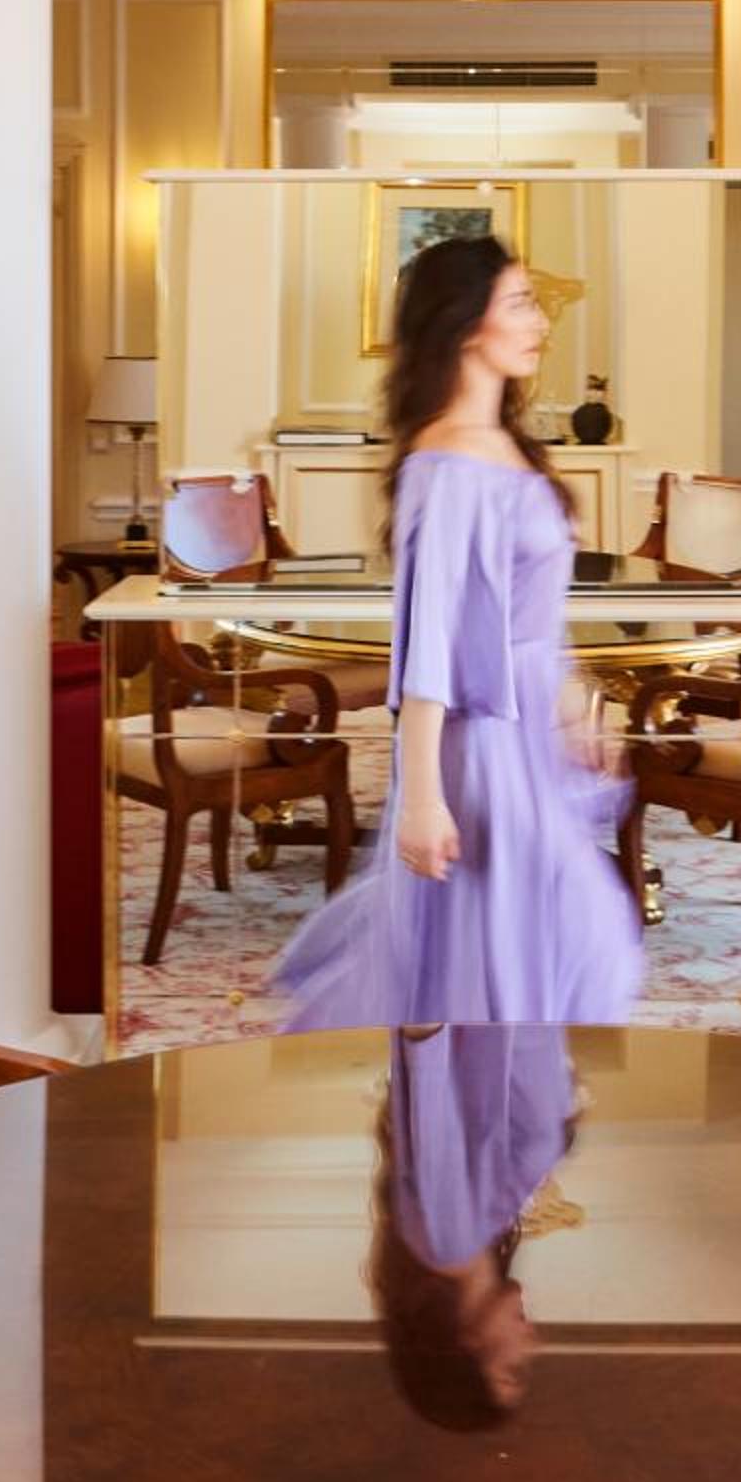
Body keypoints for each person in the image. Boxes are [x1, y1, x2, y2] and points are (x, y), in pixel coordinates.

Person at [278, 233, 645, 1027]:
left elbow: (530, 612)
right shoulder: (445, 465)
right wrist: (421, 799)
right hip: (482, 747)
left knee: (557, 944)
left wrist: (574, 706)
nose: (539, 322)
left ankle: (508, 1097)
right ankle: (477, 1097)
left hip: (530, 736)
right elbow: (429, 643)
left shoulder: (506, 446)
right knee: (515, 954)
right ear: (465, 323)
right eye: (520, 303)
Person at [368, 1024, 575, 1428]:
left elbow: (427, 1052)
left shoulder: (446, 1240)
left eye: (513, 1370)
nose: (532, 1345)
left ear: (466, 1347)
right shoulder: (468, 1233)